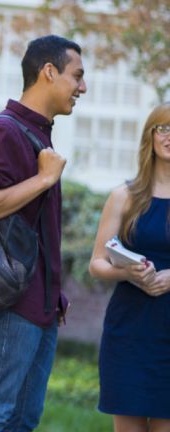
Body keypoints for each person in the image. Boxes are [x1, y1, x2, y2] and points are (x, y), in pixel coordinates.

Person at [0, 35, 87, 431]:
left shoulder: (38, 133)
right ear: (49, 72)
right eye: (77, 76)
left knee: (22, 420)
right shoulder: (6, 130)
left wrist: (54, 290)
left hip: (42, 306)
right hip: (13, 304)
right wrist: (44, 179)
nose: (82, 87)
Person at [89, 103, 170, 432]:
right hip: (130, 330)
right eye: (163, 129)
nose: (169, 137)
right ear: (150, 137)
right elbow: (97, 262)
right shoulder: (124, 196)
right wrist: (126, 273)